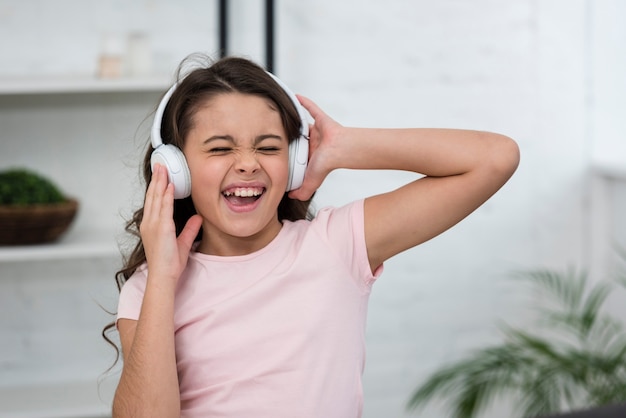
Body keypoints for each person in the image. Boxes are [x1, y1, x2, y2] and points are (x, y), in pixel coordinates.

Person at [107, 54, 520, 418]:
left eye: (269, 148)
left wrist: (344, 147)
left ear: (297, 161)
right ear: (176, 170)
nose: (248, 164)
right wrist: (162, 277)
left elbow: (494, 158)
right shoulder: (151, 286)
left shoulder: (337, 243)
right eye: (220, 149)